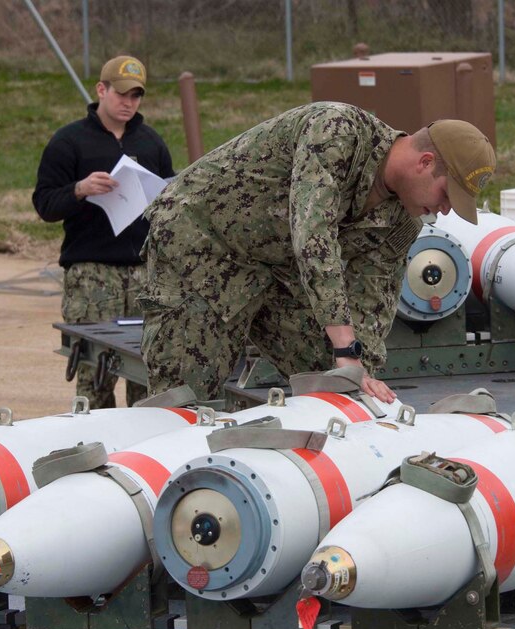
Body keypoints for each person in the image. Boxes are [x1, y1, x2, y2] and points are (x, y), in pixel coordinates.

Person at [140, 102, 495, 404]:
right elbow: (313, 236)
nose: (445, 210)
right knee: (185, 393)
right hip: (202, 243)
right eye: (446, 194)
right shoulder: (336, 131)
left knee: (336, 383)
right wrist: (344, 348)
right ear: (425, 162)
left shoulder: (403, 219)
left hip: (277, 268)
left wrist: (360, 371)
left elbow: (373, 299)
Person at [33, 55, 174, 408]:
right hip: (92, 275)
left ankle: (145, 454)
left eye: (136, 96)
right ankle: (97, 448)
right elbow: (45, 204)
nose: (129, 103)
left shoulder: (150, 143)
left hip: (144, 275)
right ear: (101, 90)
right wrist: (79, 189)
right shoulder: (70, 141)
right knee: (96, 373)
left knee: (150, 373)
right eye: (122, 94)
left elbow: (169, 195)